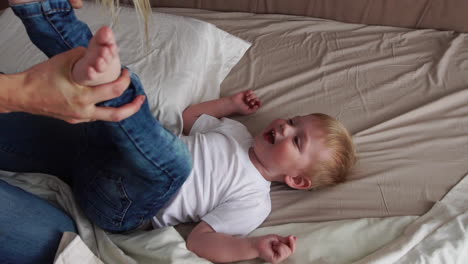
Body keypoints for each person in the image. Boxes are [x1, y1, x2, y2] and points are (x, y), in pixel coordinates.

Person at [3, 0, 356, 263]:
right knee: (142, 125)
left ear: (297, 180)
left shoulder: (254, 201)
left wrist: (252, 247)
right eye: (292, 120)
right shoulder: (235, 132)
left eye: (297, 139)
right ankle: (45, 11)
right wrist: (229, 105)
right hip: (104, 157)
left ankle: (107, 79)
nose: (284, 125)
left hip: (127, 204)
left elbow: (201, 241)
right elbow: (188, 118)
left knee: (173, 159)